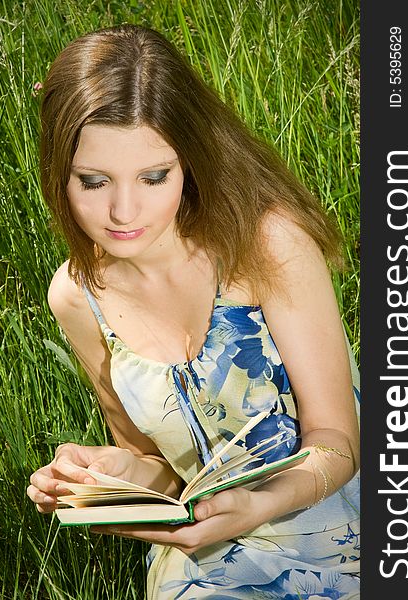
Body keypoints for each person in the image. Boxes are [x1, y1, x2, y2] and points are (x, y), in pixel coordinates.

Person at [27, 23, 360, 599]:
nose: (123, 210)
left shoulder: (265, 245)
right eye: (94, 181)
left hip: (348, 529)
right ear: (60, 173)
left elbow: (337, 440)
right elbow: (158, 466)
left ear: (189, 161)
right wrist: (103, 478)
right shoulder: (77, 297)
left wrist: (260, 504)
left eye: (154, 177)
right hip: (213, 555)